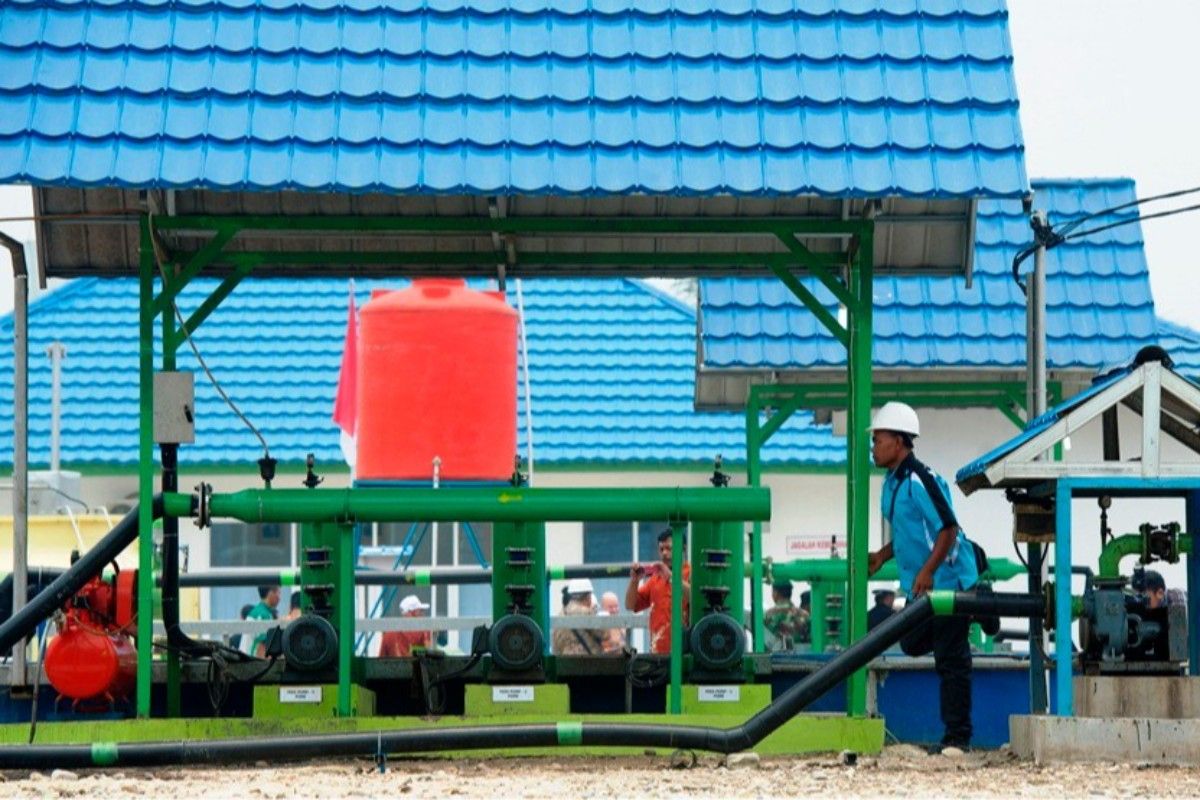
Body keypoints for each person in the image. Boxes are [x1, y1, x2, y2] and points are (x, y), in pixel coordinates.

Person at [865, 402, 979, 753]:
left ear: (899, 441)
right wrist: (881, 556)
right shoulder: (893, 482)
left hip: (949, 580)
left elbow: (948, 528)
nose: (873, 447)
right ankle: (975, 615)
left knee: (950, 658)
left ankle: (957, 738)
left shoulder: (919, 479)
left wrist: (928, 570)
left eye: (878, 440)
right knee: (912, 642)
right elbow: (909, 533)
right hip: (926, 584)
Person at [626, 529, 691, 654]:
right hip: (658, 654)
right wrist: (634, 581)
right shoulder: (655, 579)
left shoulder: (691, 573)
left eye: (669, 548)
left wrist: (671, 577)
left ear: (683, 548)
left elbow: (696, 599)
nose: (664, 553)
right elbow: (630, 605)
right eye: (661, 549)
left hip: (685, 653)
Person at [552, 578, 607, 656]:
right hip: (584, 660)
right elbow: (604, 634)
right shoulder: (586, 613)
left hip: (563, 660)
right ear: (588, 597)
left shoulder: (560, 615)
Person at [764, 580, 810, 651]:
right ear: (790, 593)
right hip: (801, 656)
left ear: (775, 593)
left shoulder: (767, 615)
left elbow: (762, 641)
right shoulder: (805, 615)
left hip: (773, 656)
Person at [248, 585, 281, 657]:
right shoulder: (262, 615)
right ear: (270, 593)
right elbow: (262, 646)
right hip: (253, 660)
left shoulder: (261, 612)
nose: (280, 598)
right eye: (278, 593)